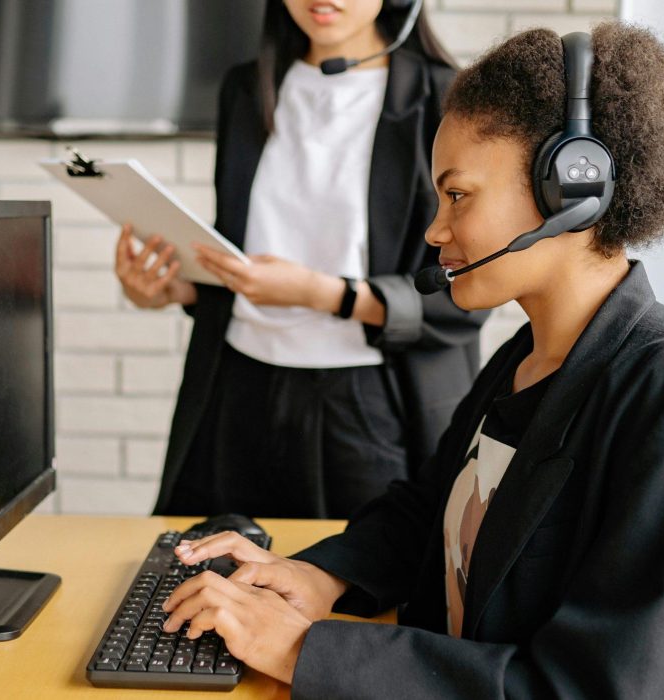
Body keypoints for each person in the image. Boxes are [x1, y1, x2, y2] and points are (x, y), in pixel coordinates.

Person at [156, 22, 664, 698]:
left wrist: (304, 651)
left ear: (571, 192)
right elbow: (424, 514)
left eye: (458, 195)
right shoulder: (522, 360)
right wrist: (319, 576)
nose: (435, 230)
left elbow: (596, 687)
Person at [115, 0, 487, 519]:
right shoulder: (247, 88)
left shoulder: (446, 99)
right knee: (204, 576)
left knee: (359, 589)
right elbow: (246, 252)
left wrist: (318, 293)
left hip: (366, 402)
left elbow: (465, 289)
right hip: (237, 388)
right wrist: (175, 289)